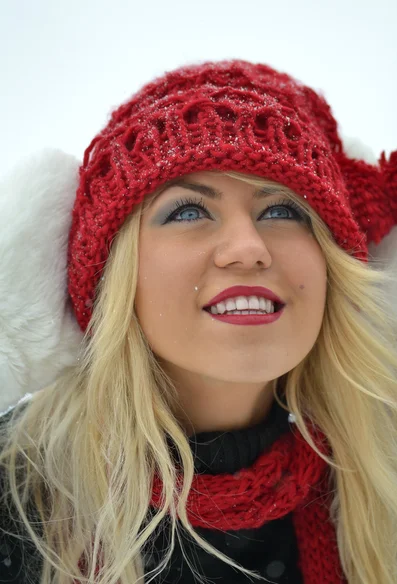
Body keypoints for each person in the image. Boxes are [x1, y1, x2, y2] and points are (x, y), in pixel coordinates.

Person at [0, 59, 397, 584]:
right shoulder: (16, 503)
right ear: (112, 273)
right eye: (188, 211)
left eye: (283, 211)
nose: (248, 249)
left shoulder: (380, 482)